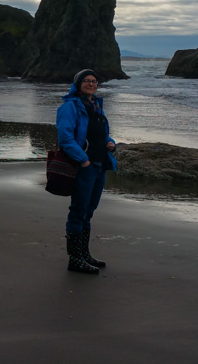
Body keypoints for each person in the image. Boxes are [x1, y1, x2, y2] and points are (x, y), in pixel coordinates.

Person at [56, 69, 117, 274]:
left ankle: (84, 255)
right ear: (78, 84)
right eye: (86, 81)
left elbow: (102, 135)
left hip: (100, 165)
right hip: (85, 167)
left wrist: (111, 143)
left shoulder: (96, 106)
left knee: (89, 211)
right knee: (78, 211)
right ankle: (75, 259)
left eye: (94, 81)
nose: (91, 84)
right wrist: (83, 161)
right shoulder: (70, 107)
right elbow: (65, 139)